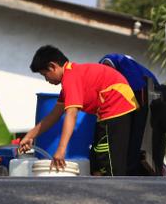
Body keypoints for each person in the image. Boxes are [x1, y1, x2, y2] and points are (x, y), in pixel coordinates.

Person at [19, 45, 138, 176]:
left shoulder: (70, 78)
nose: (46, 80)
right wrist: (29, 136)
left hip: (116, 106)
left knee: (108, 158)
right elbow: (54, 115)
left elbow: (72, 114)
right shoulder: (72, 76)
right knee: (97, 157)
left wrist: (61, 149)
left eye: (45, 75)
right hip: (111, 110)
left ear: (53, 66)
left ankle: (116, 190)